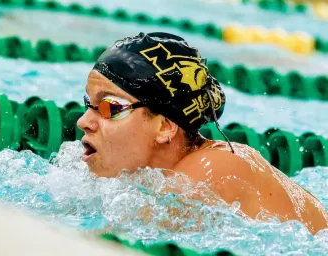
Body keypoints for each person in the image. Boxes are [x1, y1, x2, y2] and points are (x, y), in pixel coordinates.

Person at [76, 32, 328, 234]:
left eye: (110, 107)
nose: (83, 121)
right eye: (88, 103)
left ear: (164, 126)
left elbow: (107, 240)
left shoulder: (214, 168)